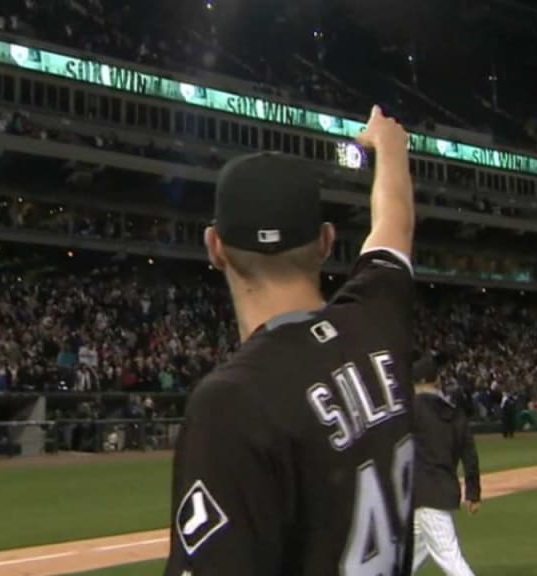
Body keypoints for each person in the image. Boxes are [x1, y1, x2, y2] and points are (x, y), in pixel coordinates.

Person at [165, 106, 417, 575]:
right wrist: (389, 146)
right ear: (325, 241)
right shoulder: (376, 321)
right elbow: (395, 223)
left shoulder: (232, 401)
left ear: (214, 247)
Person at [411, 356, 480, 575]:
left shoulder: (410, 411)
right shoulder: (455, 412)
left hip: (423, 493)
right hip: (442, 490)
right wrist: (473, 492)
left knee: (450, 558)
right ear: (438, 380)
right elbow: (470, 454)